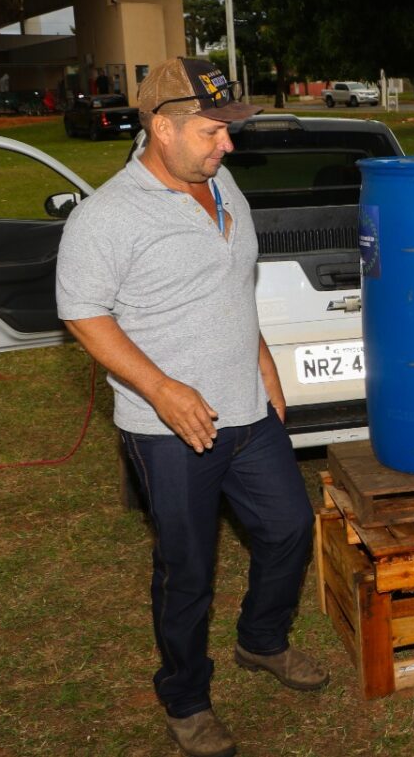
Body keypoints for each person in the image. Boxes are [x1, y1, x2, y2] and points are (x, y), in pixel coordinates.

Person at [56, 57, 326, 757]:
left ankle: (261, 641)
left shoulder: (220, 180)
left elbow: (232, 283)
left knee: (291, 526)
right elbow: (83, 314)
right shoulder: (106, 216)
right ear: (161, 127)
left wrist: (262, 356)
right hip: (170, 429)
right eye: (213, 132)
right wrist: (162, 388)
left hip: (247, 406)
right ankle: (186, 697)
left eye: (229, 131)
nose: (227, 145)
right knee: (188, 569)